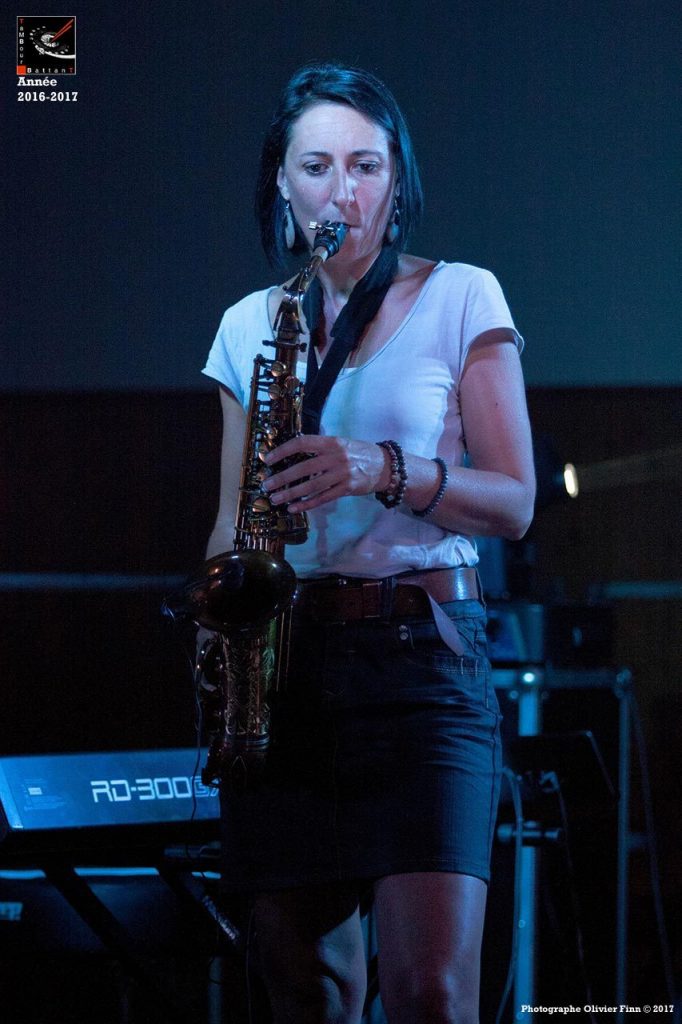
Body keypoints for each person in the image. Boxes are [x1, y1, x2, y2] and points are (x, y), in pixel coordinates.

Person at [201, 62, 535, 1024]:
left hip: (421, 661)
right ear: (283, 184)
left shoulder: (463, 295)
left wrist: (379, 467)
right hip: (286, 673)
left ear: (398, 180)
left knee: (431, 993)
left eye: (365, 166)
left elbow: (514, 503)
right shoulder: (249, 325)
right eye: (317, 167)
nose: (341, 192)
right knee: (307, 992)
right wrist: (219, 634)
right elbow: (229, 521)